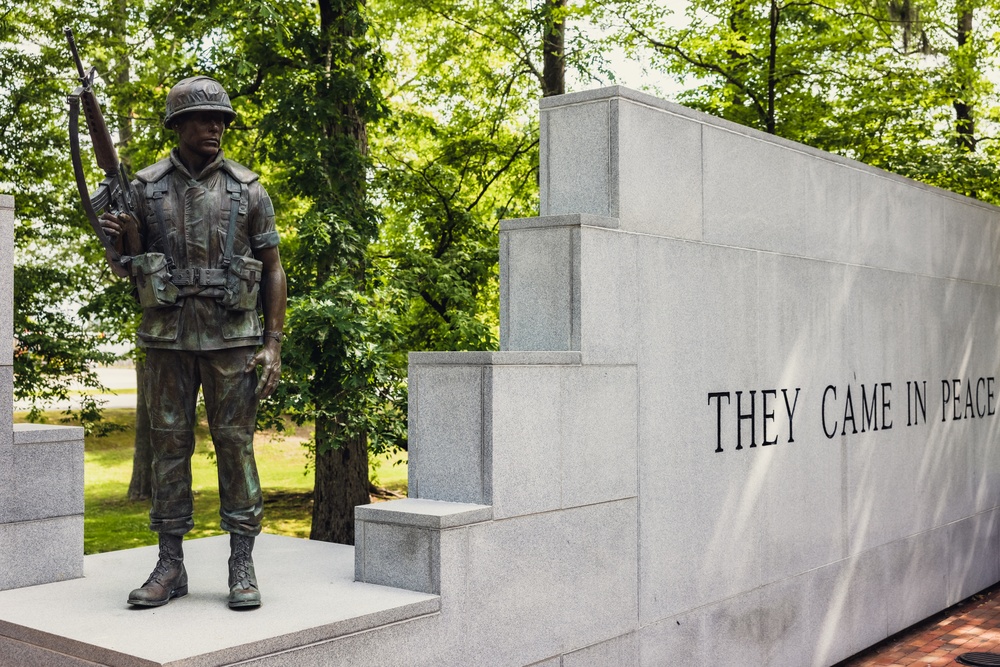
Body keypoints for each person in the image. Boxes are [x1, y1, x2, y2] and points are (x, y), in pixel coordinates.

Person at [100, 76, 286, 610]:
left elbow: (274, 270)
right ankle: (170, 563)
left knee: (235, 445)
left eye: (221, 120)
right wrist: (123, 239)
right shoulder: (144, 187)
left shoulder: (248, 188)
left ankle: (242, 561)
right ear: (177, 126)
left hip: (233, 339)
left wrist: (272, 344)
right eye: (205, 119)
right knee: (168, 446)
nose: (216, 128)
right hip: (167, 339)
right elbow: (121, 267)